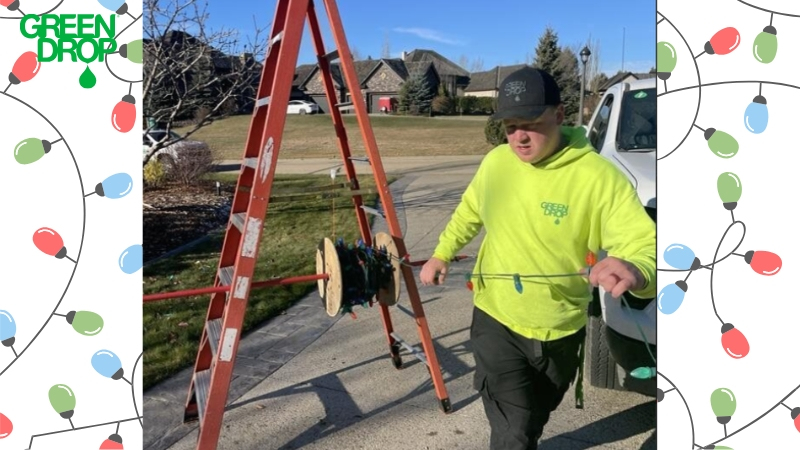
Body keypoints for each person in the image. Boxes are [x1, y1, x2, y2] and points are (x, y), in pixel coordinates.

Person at [419, 67, 656, 449]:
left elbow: (644, 244)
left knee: (535, 417)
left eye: (531, 123)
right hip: (494, 318)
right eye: (510, 127)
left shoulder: (599, 177)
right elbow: (469, 211)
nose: (519, 138)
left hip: (560, 331)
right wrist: (441, 253)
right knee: (515, 430)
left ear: (560, 115)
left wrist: (637, 270)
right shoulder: (496, 163)